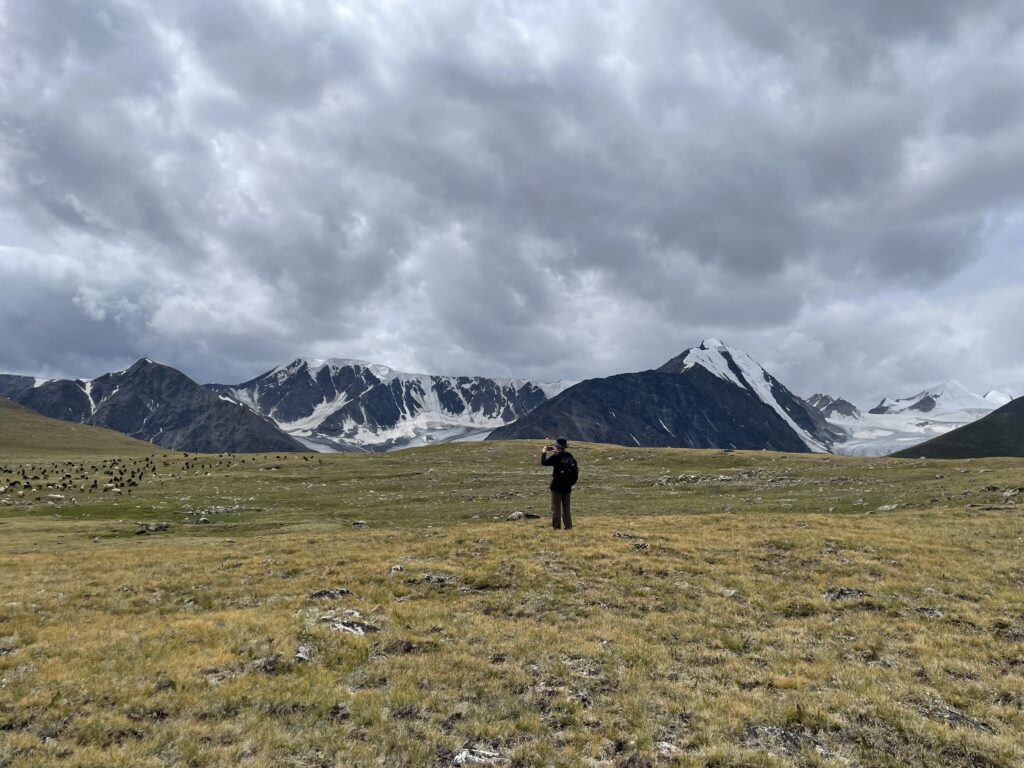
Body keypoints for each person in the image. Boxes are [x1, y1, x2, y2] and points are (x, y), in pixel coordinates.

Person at [541, 437, 577, 530]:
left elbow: (544, 462)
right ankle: (568, 526)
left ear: (557, 446)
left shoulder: (556, 457)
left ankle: (556, 527)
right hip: (567, 485)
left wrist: (544, 452)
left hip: (557, 485)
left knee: (556, 507)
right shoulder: (569, 455)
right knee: (566, 507)